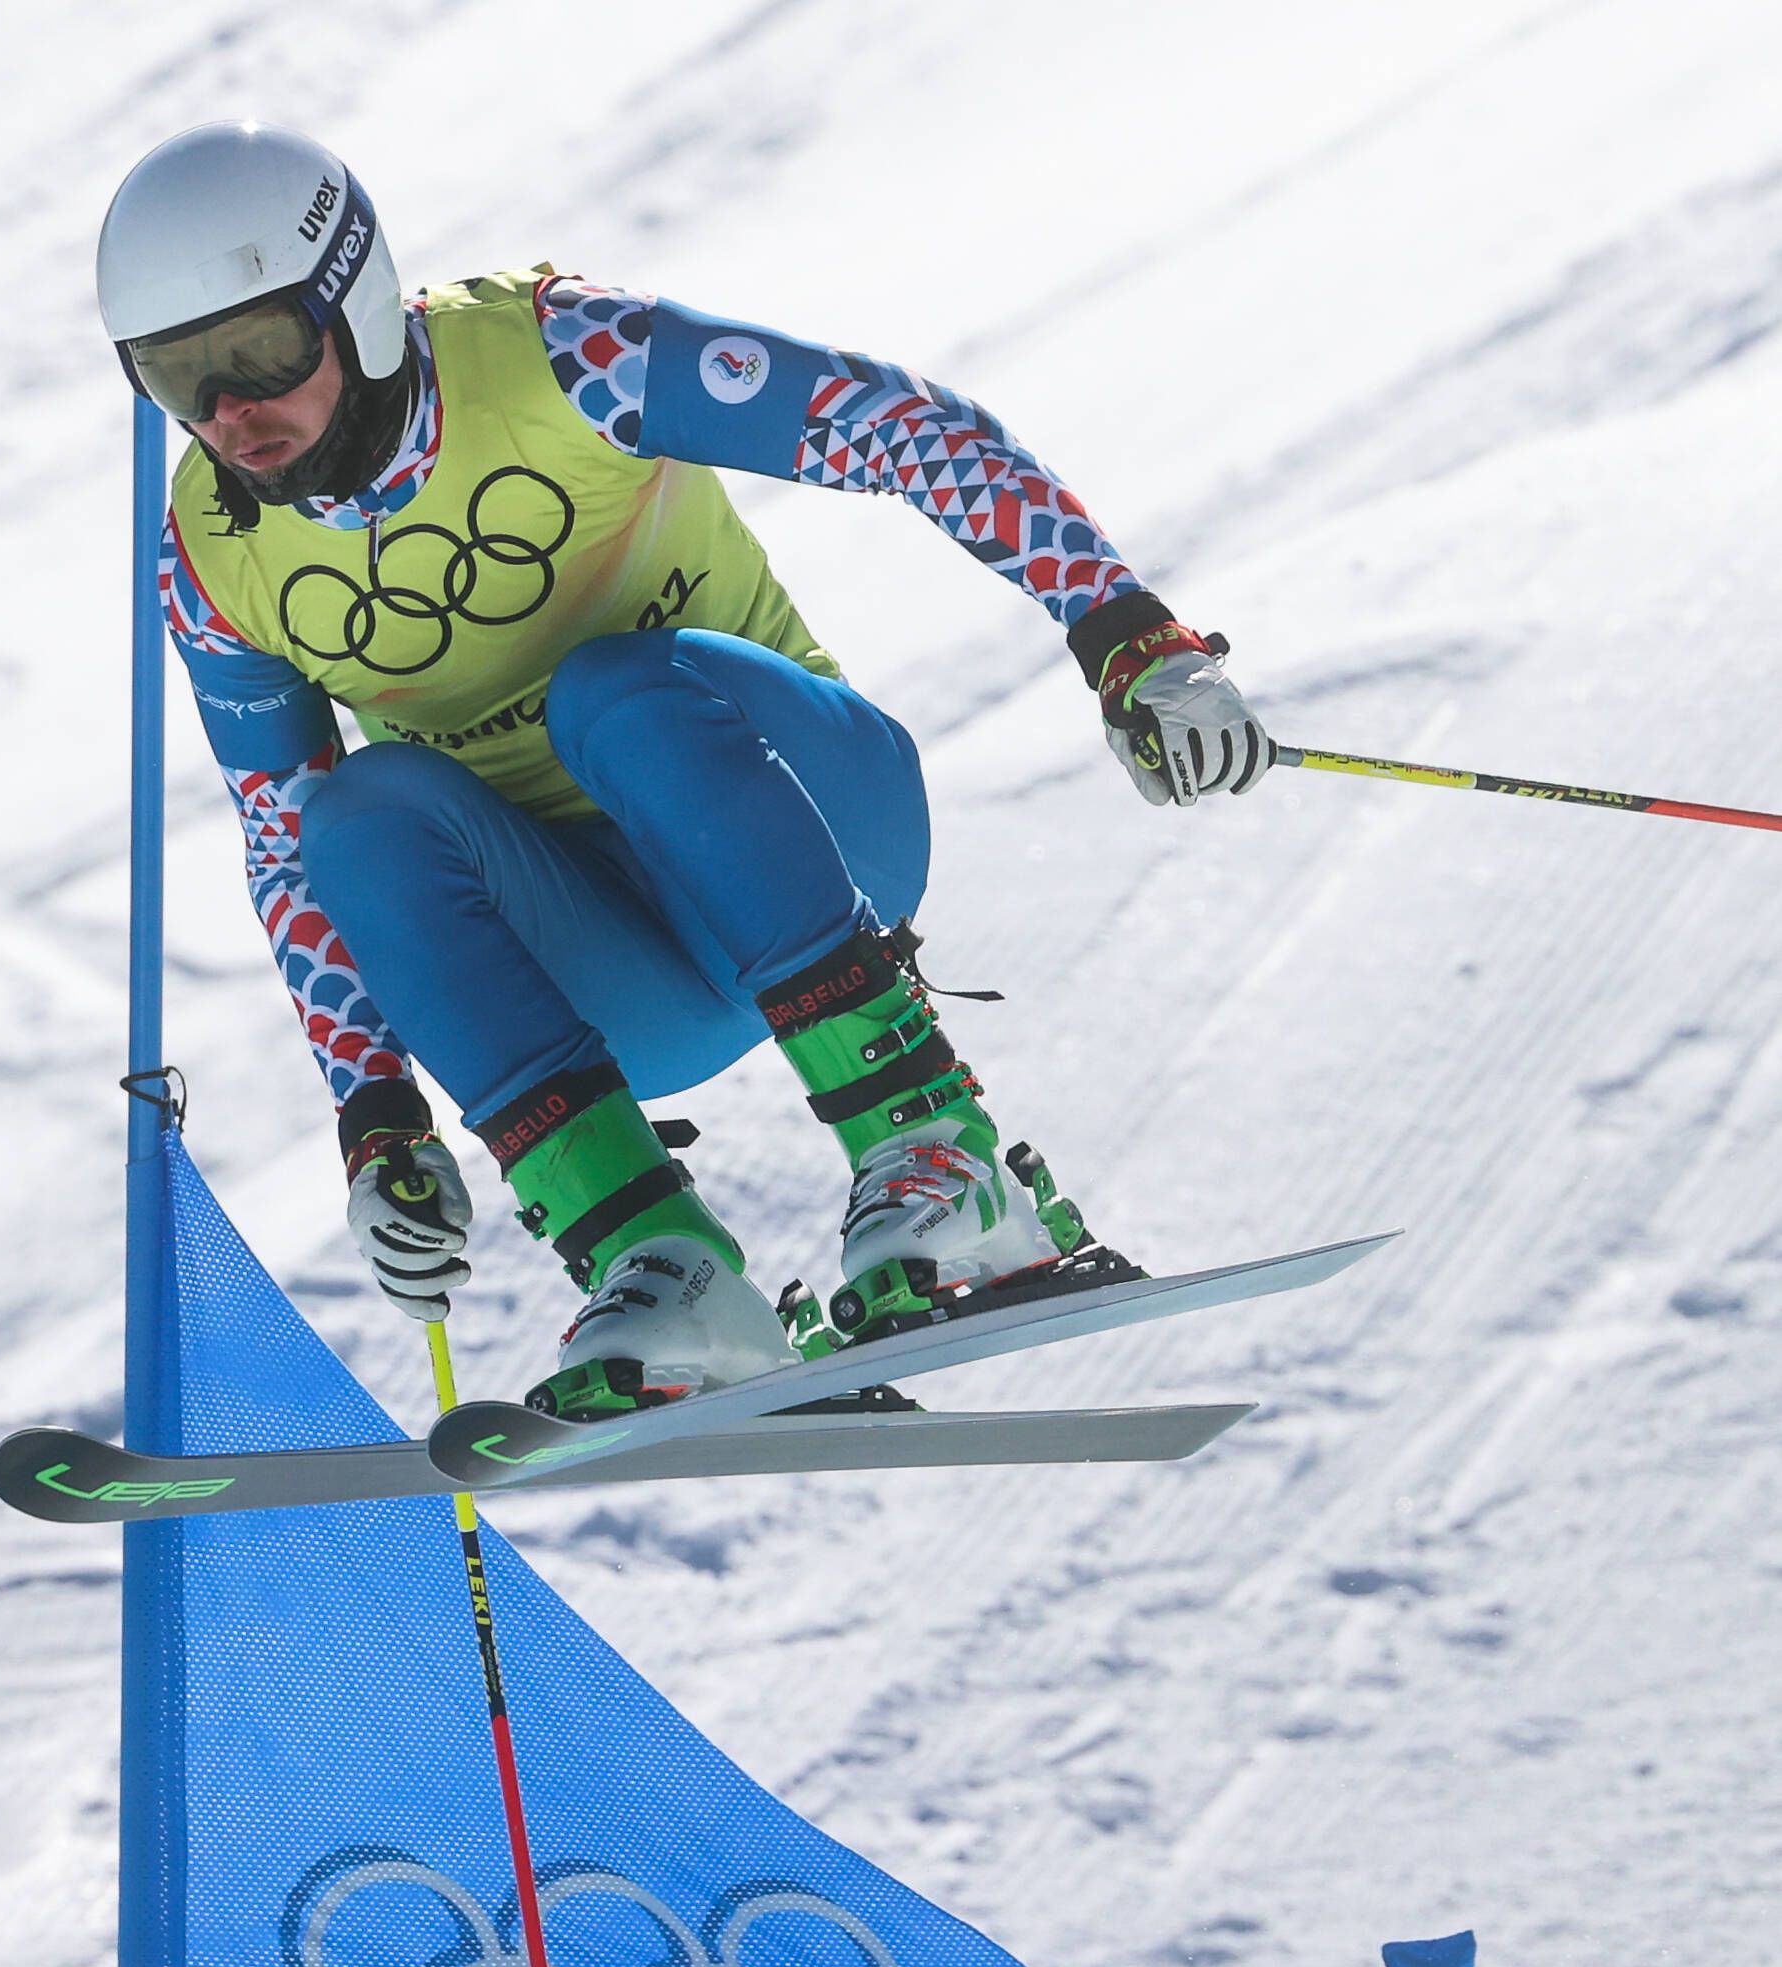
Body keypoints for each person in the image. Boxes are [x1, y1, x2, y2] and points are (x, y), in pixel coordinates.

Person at [96, 121, 1275, 1419]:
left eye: (257, 354)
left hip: (811, 826)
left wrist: (1122, 632)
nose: (227, 414)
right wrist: (376, 1117)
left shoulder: (559, 353)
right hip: (619, 977)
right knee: (352, 818)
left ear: (356, 305)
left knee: (612, 687)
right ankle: (664, 1273)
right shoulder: (207, 561)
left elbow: (896, 428)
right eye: (175, 378)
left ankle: (945, 1160)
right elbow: (280, 843)